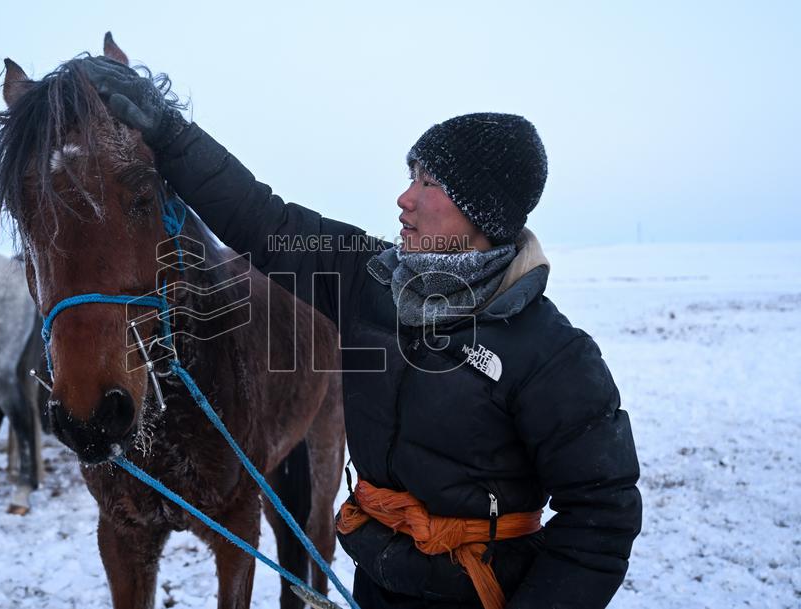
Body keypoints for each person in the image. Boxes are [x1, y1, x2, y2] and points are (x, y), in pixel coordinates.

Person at [79, 57, 642, 609]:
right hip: (378, 584)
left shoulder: (551, 354)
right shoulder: (366, 278)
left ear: (484, 216)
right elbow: (264, 221)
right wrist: (170, 132)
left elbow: (603, 514)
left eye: (431, 183)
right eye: (410, 176)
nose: (405, 198)